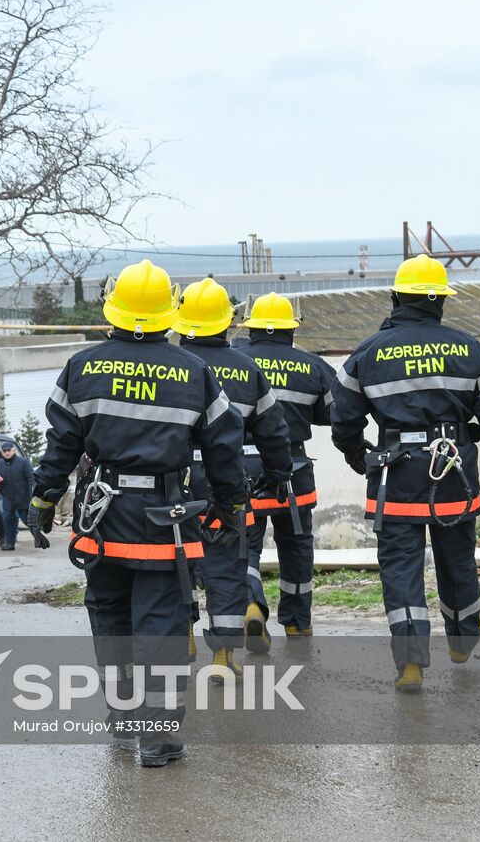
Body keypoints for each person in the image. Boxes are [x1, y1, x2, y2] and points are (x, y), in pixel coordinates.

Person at [28, 260, 248, 767]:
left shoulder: (83, 367)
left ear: (115, 310)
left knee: (110, 619)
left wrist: (43, 497)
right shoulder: (195, 372)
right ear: (168, 312)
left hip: (103, 519)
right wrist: (230, 504)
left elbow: (61, 442)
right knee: (162, 629)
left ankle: (124, 719)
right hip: (165, 522)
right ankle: (158, 737)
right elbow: (223, 447)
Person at [331, 255, 480, 693]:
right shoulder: (470, 349)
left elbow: (343, 416)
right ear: (440, 302)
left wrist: (355, 453)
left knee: (400, 568)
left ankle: (410, 662)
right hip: (454, 474)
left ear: (395, 297)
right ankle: (462, 638)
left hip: (395, 477)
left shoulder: (368, 352)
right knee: (457, 559)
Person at [175, 279, 293, 678]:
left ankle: (185, 634)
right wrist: (278, 473)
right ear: (229, 322)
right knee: (226, 560)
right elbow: (273, 430)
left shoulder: (171, 366)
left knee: (177, 559)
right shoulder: (248, 369)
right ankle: (223, 657)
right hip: (225, 476)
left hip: (173, 479)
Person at [235, 293, 338, 649]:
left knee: (243, 548)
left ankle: (250, 605)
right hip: (294, 471)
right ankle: (297, 623)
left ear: (250, 328)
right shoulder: (314, 367)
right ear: (292, 329)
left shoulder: (234, 363)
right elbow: (336, 414)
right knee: (296, 547)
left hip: (240, 469)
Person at [0, 440, 37, 550]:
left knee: (27, 520)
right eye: (4, 451)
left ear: (13, 450)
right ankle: (10, 543)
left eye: (9, 450)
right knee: (7, 519)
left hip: (22, 497)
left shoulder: (23, 462)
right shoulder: (0, 464)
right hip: (8, 497)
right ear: (2, 452)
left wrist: (31, 494)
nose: (7, 452)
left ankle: (38, 538)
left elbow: (31, 479)